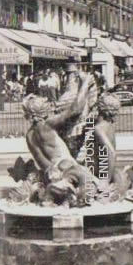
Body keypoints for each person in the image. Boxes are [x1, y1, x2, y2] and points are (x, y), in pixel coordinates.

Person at [22, 72, 98, 206]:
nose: (51, 108)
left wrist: (53, 173)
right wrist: (85, 84)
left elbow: (42, 161)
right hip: (66, 166)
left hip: (51, 172)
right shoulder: (47, 125)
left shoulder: (29, 135)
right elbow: (75, 109)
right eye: (47, 107)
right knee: (92, 183)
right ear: (42, 111)